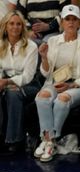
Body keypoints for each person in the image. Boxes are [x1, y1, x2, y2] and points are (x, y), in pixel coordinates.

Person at [34, 4, 80, 162]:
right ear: (62, 22)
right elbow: (46, 73)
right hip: (55, 82)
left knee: (62, 99)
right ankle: (49, 140)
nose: (71, 23)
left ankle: (48, 142)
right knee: (42, 97)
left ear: (79, 23)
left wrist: (71, 85)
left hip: (78, 85)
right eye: (67, 19)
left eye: (74, 19)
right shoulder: (52, 41)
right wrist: (44, 58)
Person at [0, 9, 39, 155]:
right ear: (5, 26)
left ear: (23, 27)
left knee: (12, 93)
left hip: (30, 85)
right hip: (5, 82)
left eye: (18, 24)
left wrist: (7, 82)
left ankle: (15, 140)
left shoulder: (31, 46)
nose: (15, 27)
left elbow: (28, 76)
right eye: (11, 24)